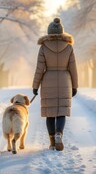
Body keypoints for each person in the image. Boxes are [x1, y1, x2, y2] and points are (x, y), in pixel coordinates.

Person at [32, 17, 78, 151]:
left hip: (48, 81)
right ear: (62, 32)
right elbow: (73, 69)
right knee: (61, 112)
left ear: (49, 32)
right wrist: (75, 86)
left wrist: (35, 86)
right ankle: (59, 134)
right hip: (65, 80)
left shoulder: (43, 48)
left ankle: (52, 141)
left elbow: (39, 69)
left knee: (50, 113)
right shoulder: (69, 47)